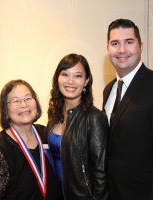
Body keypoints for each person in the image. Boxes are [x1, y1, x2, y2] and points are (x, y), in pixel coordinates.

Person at [103, 18, 153, 200]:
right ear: (108, 48)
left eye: (129, 42)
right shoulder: (108, 90)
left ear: (140, 46)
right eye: (115, 43)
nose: (122, 49)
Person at [46, 53, 109, 200]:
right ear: (57, 78)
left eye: (78, 76)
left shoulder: (94, 118)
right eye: (65, 74)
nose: (70, 81)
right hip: (56, 194)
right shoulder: (54, 116)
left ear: (86, 81)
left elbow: (101, 173)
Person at [0, 79, 58, 200]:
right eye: (16, 101)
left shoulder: (46, 133)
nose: (24, 105)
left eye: (28, 98)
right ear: (5, 109)